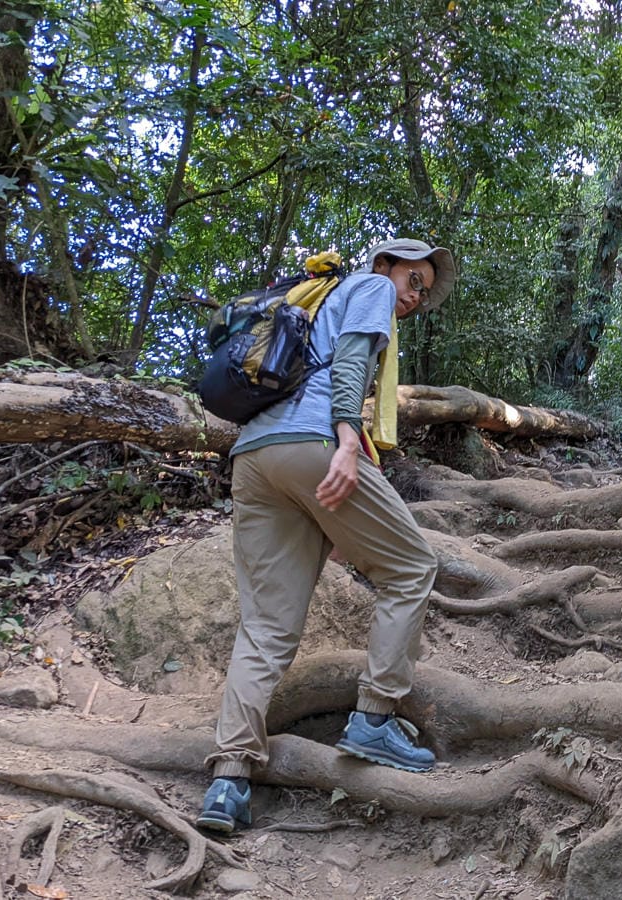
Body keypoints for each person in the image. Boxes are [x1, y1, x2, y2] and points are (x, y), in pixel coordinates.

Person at [196, 238, 456, 833]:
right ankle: (374, 719)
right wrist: (344, 441)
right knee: (413, 567)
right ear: (385, 266)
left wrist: (330, 519)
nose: (414, 297)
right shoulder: (370, 288)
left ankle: (228, 779)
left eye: (422, 292)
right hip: (315, 443)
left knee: (264, 628)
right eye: (413, 280)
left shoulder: (318, 300)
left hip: (255, 459)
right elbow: (352, 363)